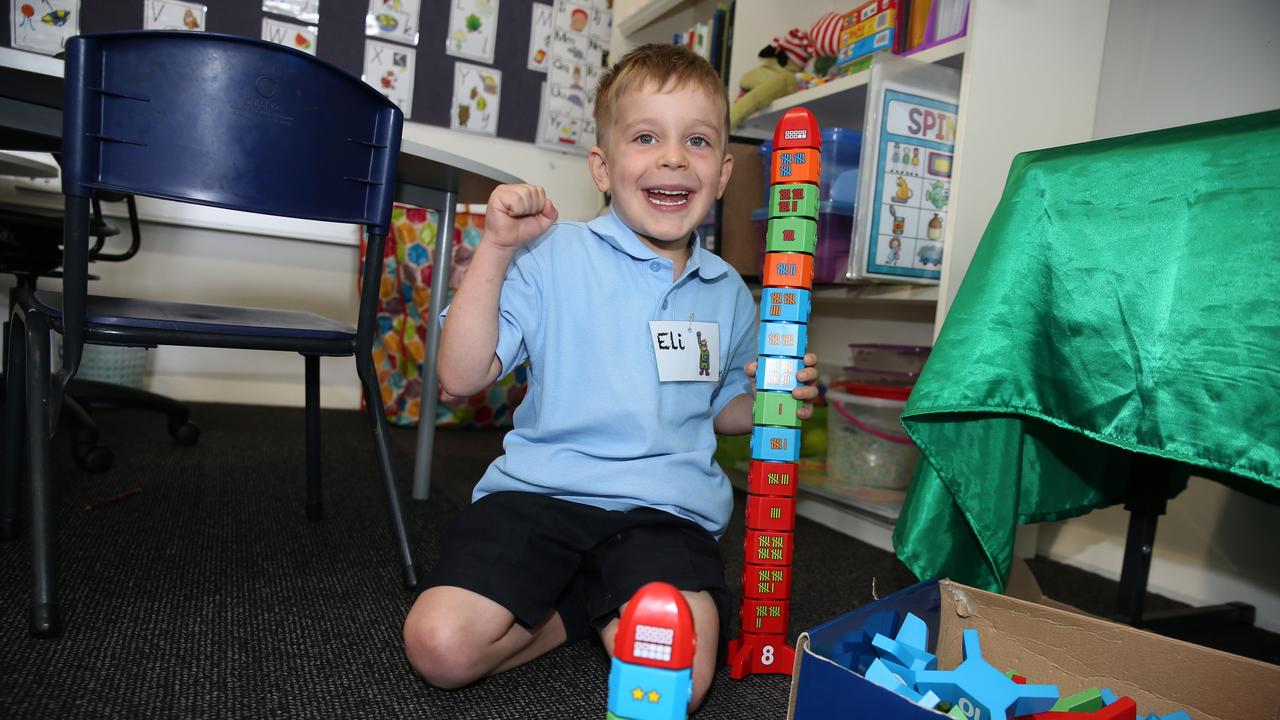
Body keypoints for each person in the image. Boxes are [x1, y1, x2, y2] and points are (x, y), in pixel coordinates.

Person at [402, 43, 818, 712]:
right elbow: (458, 376)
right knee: (440, 648)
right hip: (539, 496)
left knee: (678, 684)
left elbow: (719, 410)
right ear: (602, 166)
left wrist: (774, 401)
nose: (674, 157)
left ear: (722, 174)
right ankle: (584, 610)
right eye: (646, 137)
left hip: (665, 512)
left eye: (698, 141)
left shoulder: (730, 294)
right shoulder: (551, 252)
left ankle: (583, 607)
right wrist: (497, 249)